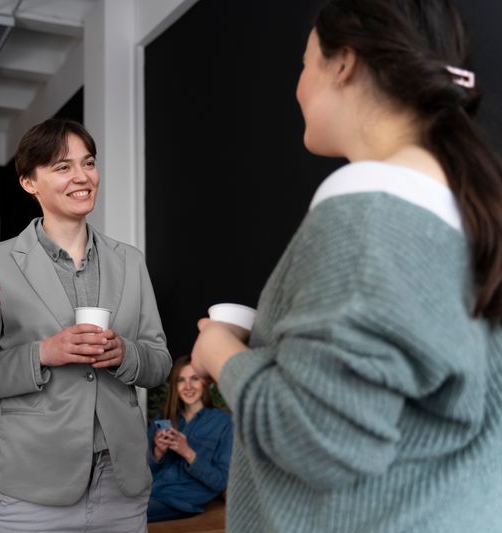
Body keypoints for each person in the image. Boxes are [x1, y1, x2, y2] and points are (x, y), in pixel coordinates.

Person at [190, 0, 502, 531]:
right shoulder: (466, 210)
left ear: (344, 64)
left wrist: (220, 352)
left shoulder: (369, 215)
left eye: (305, 62)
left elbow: (316, 438)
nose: (297, 86)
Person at [0, 118, 172, 532]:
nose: (82, 177)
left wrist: (125, 354)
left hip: (120, 486)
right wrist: (42, 354)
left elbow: (159, 363)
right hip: (33, 487)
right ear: (29, 182)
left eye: (88, 163)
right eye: (62, 167)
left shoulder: (130, 261)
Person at [146, 355, 232, 523]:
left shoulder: (224, 423)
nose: (188, 387)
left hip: (180, 501)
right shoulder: (163, 418)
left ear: (205, 383)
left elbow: (222, 482)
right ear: (175, 386)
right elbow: (141, 471)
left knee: (114, 517)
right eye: (180, 380)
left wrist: (188, 453)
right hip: (148, 492)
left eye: (194, 379)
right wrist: (157, 453)